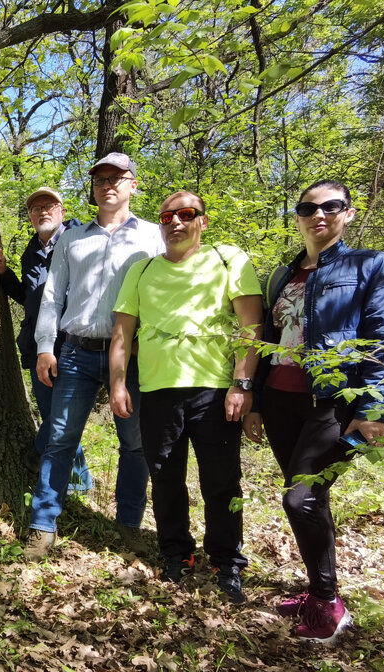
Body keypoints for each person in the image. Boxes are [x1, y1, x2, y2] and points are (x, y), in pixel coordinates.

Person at [244, 180, 384, 642]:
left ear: (348, 213)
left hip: (332, 405)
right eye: (307, 208)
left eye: (330, 206)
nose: (319, 215)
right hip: (279, 400)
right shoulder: (281, 275)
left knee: (301, 497)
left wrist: (374, 407)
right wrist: (255, 396)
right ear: (297, 217)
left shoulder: (369, 265)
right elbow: (267, 341)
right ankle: (319, 589)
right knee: (311, 500)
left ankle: (328, 607)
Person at [109, 191, 262, 603]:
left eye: (186, 214)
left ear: (202, 221)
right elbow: (123, 333)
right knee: (165, 479)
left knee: (221, 481)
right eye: (167, 216)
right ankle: (176, 553)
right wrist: (119, 384)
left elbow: (251, 327)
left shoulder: (228, 259)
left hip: (214, 391)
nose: (175, 222)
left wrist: (242, 384)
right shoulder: (141, 271)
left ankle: (227, 562)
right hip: (157, 390)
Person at [26, 152, 164, 561]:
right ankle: (42, 525)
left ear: (132, 184)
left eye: (117, 178)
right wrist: (45, 347)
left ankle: (129, 526)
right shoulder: (73, 237)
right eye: (100, 179)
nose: (108, 185)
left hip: (134, 357)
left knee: (135, 443)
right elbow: (52, 295)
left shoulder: (154, 236)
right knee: (59, 439)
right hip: (75, 353)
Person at [0, 186, 94, 491]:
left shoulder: (81, 241)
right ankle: (81, 483)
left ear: (62, 210)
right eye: (36, 209)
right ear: (31, 219)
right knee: (53, 415)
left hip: (74, 345)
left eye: (49, 205)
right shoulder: (31, 252)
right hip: (39, 347)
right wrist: (5, 273)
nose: (43, 211)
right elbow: (29, 297)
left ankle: (36, 454)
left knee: (63, 418)